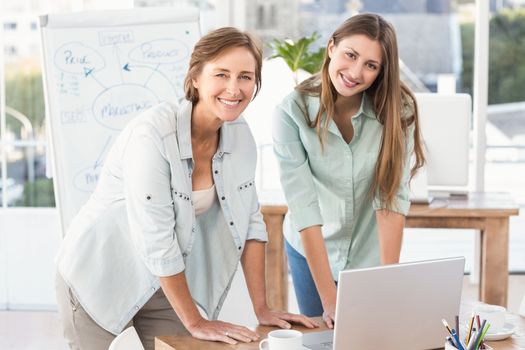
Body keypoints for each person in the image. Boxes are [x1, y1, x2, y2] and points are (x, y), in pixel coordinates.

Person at [55, 27, 317, 350]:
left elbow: (251, 223)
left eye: (246, 77)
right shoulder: (152, 135)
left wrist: (261, 309)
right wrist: (196, 322)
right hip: (100, 274)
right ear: (195, 77)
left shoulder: (240, 137)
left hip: (167, 285)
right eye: (221, 74)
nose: (234, 89)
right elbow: (157, 239)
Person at [272, 13, 425, 328]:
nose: (356, 72)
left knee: (373, 336)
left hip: (369, 253)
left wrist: (388, 279)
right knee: (323, 339)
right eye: (350, 55)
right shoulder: (291, 112)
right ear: (331, 48)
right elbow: (304, 208)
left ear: (382, 71)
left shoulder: (398, 110)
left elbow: (391, 199)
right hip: (312, 247)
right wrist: (329, 299)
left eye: (371, 65)